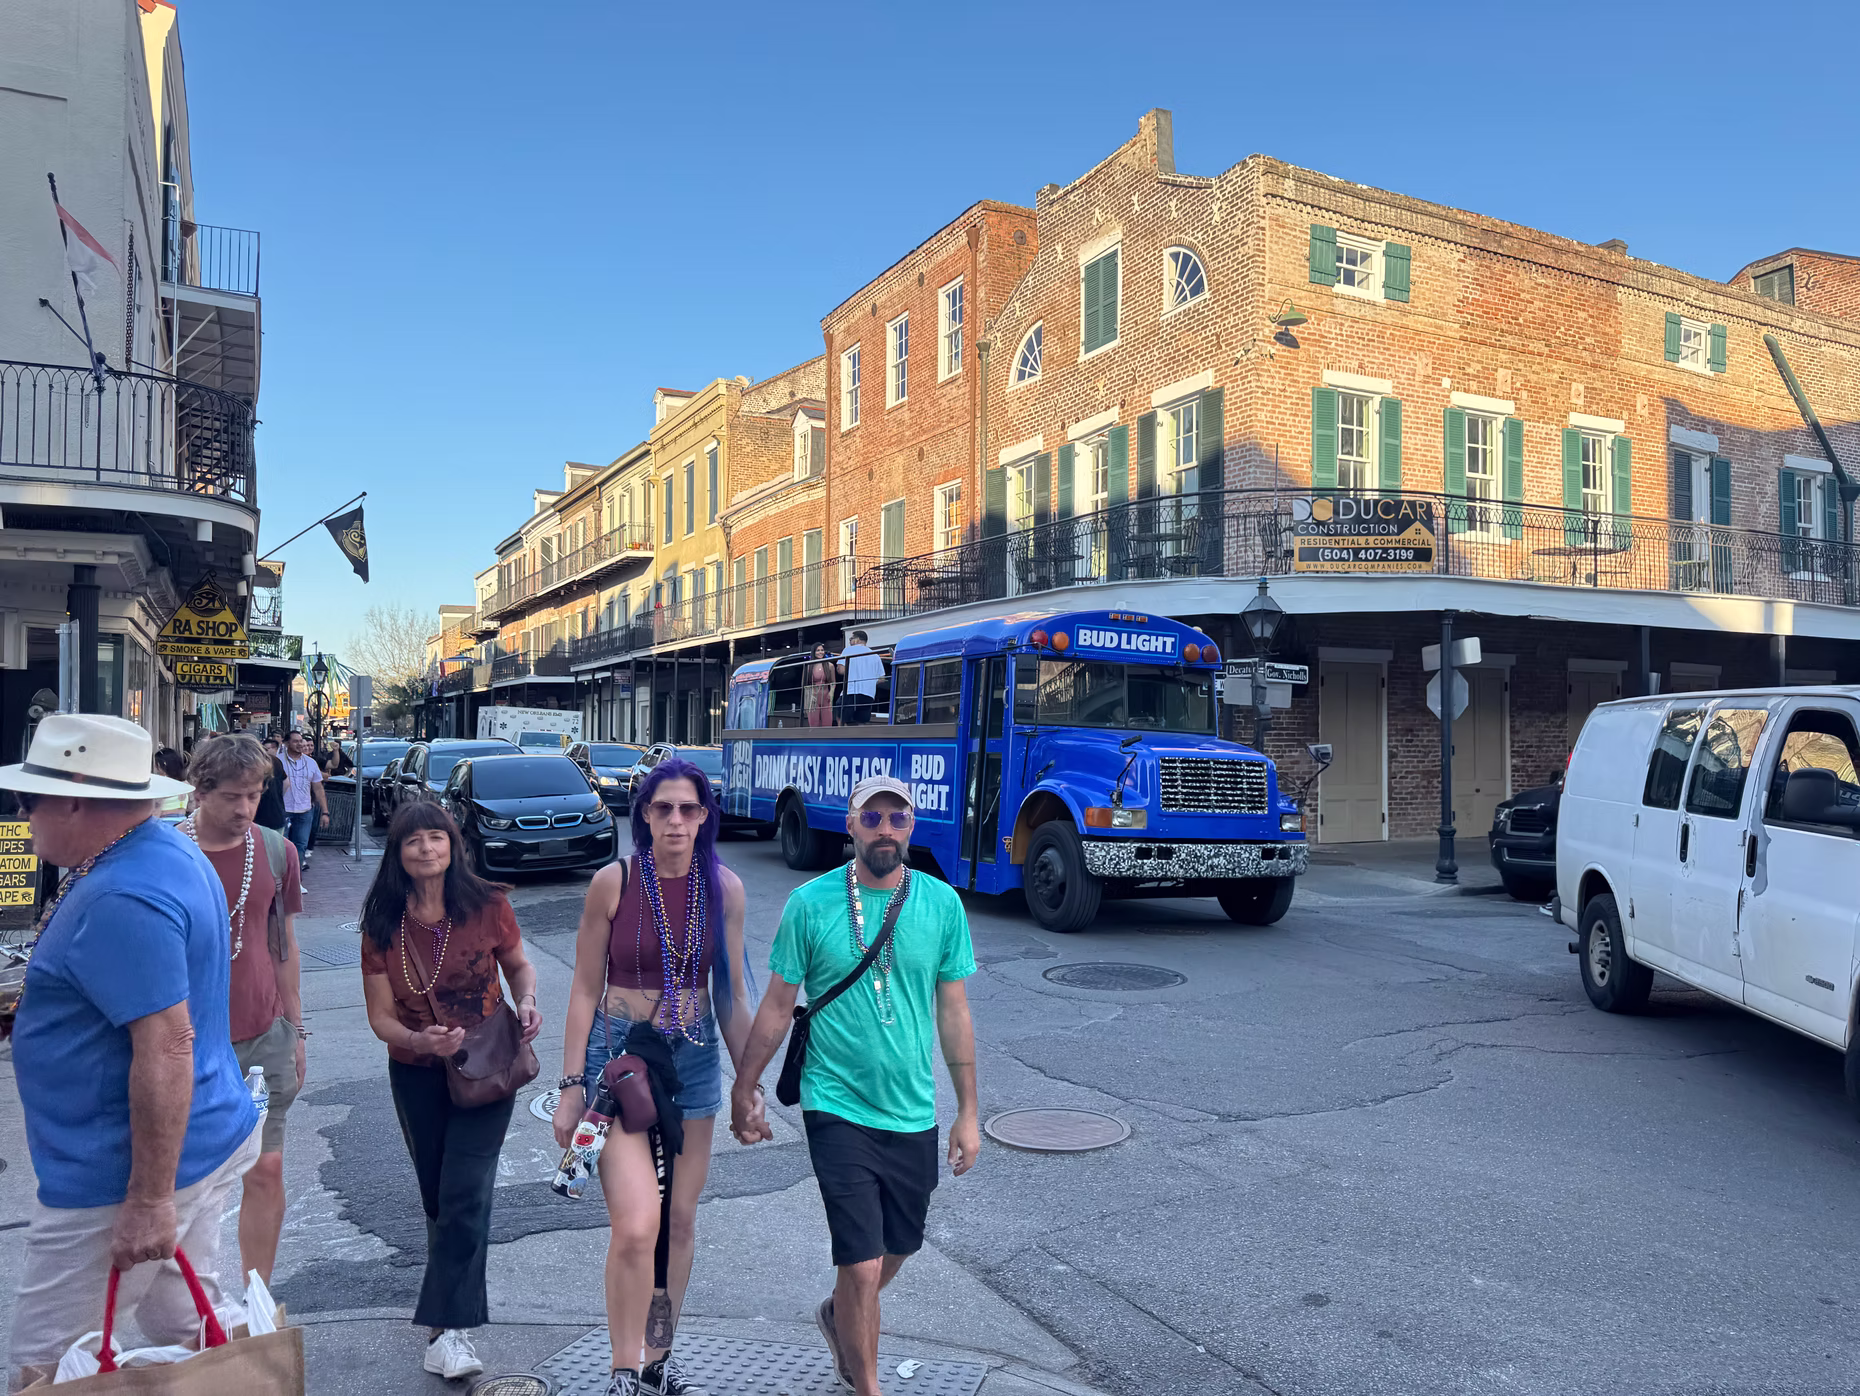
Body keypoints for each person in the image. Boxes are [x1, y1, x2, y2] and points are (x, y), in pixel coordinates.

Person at [4, 714, 261, 1392]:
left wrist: (147, 1201)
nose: (22, 814)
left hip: (119, 1174)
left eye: (29, 800)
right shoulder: (163, 851)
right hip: (197, 1138)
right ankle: (254, 1379)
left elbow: (168, 1045)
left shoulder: (121, 893)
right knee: (190, 1318)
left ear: (77, 802)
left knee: (47, 1369)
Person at [730, 775, 980, 1396]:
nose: (886, 830)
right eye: (873, 819)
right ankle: (865, 1383)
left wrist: (969, 1111)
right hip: (834, 1101)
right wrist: (746, 1085)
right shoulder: (810, 904)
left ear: (912, 826)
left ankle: (838, 1314)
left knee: (899, 1245)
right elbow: (777, 1005)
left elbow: (954, 1013)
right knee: (862, 1263)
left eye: (898, 819)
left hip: (911, 1108)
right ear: (849, 824)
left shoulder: (941, 905)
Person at [556, 758, 755, 1396]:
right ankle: (621, 1370)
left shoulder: (724, 889)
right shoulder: (612, 882)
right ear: (643, 813)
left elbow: (731, 997)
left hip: (693, 1062)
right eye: (663, 807)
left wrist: (747, 1087)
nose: (675, 820)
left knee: (680, 1221)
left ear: (704, 818)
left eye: (688, 809)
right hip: (620, 1062)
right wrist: (570, 1088)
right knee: (638, 1223)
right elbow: (585, 989)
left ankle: (654, 1364)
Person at [360, 802, 542, 1384]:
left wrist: (529, 1001)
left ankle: (450, 1330)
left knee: (467, 1190)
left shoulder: (487, 904)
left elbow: (518, 966)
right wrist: (422, 1040)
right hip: (417, 1069)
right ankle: (448, 1317)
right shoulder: (383, 921)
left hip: (490, 1061)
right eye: (413, 841)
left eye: (436, 838)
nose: (426, 850)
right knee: (439, 1195)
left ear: (453, 844)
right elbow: (379, 1018)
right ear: (399, 853)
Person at [182, 735, 305, 1284]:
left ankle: (256, 1298)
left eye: (254, 795)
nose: (244, 809)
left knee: (266, 1167)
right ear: (200, 790)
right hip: (185, 1042)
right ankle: (195, 1305)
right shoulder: (168, 851)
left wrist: (297, 1029)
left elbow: (284, 944)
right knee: (192, 1182)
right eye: (232, 796)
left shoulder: (277, 851)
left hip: (263, 1032)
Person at [278, 729, 327, 872]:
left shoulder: (310, 763)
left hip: (305, 810)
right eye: (295, 741)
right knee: (283, 846)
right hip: (284, 810)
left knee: (300, 845)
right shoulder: (278, 761)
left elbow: (318, 788)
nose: (299, 744)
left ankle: (296, 879)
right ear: (287, 743)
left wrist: (325, 812)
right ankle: (282, 877)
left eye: (301, 741)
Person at [836, 631, 884, 725]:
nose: (850, 641)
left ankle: (842, 737)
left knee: (841, 717)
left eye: (851, 639)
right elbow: (882, 678)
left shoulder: (849, 650)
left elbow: (840, 669)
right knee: (861, 722)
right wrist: (869, 681)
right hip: (868, 694)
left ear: (857, 639)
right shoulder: (875, 655)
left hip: (851, 691)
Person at [255, 735, 289, 832]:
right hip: (275, 813)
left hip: (260, 817)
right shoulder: (275, 761)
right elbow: (286, 783)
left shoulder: (250, 763)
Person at [805, 644, 836, 727]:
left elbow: (833, 682)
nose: (820, 652)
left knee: (827, 723)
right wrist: (810, 696)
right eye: (818, 650)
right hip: (813, 697)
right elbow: (805, 684)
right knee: (813, 724)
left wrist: (831, 693)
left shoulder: (830, 665)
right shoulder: (808, 666)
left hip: (826, 697)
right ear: (814, 652)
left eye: (822, 650)